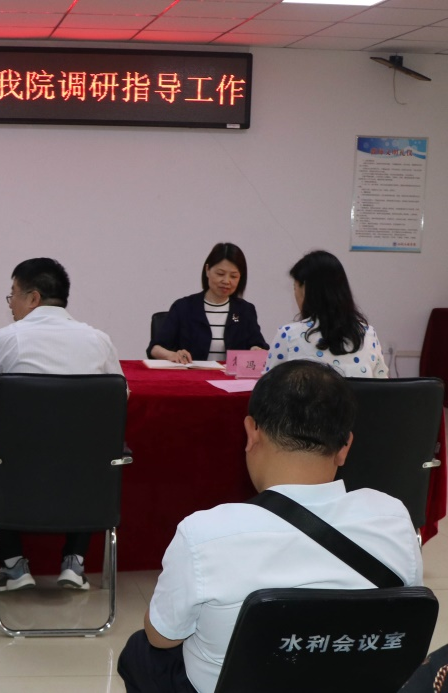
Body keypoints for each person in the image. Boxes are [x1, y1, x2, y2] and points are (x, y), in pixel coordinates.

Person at [117, 360, 421, 693]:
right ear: (344, 447)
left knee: (140, 651)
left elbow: (161, 637)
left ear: (251, 432)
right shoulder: (393, 518)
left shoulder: (204, 534)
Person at [0, 257, 123, 591]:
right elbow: (119, 396)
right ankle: (75, 562)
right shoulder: (98, 339)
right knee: (92, 455)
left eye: (13, 294)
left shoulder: (7, 338)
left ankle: (14, 566)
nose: (10, 304)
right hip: (86, 475)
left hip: (21, 471)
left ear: (33, 298)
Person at [265, 249, 388, 378]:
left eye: (295, 287)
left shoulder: (288, 336)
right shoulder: (368, 334)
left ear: (305, 289)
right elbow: (381, 383)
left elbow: (267, 386)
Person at [148, 242, 267, 364]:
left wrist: (256, 350)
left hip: (230, 375)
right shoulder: (183, 307)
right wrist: (172, 355)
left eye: (233, 276)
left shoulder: (245, 310)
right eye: (220, 274)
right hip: (191, 374)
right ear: (207, 270)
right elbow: (155, 348)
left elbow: (258, 344)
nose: (226, 281)